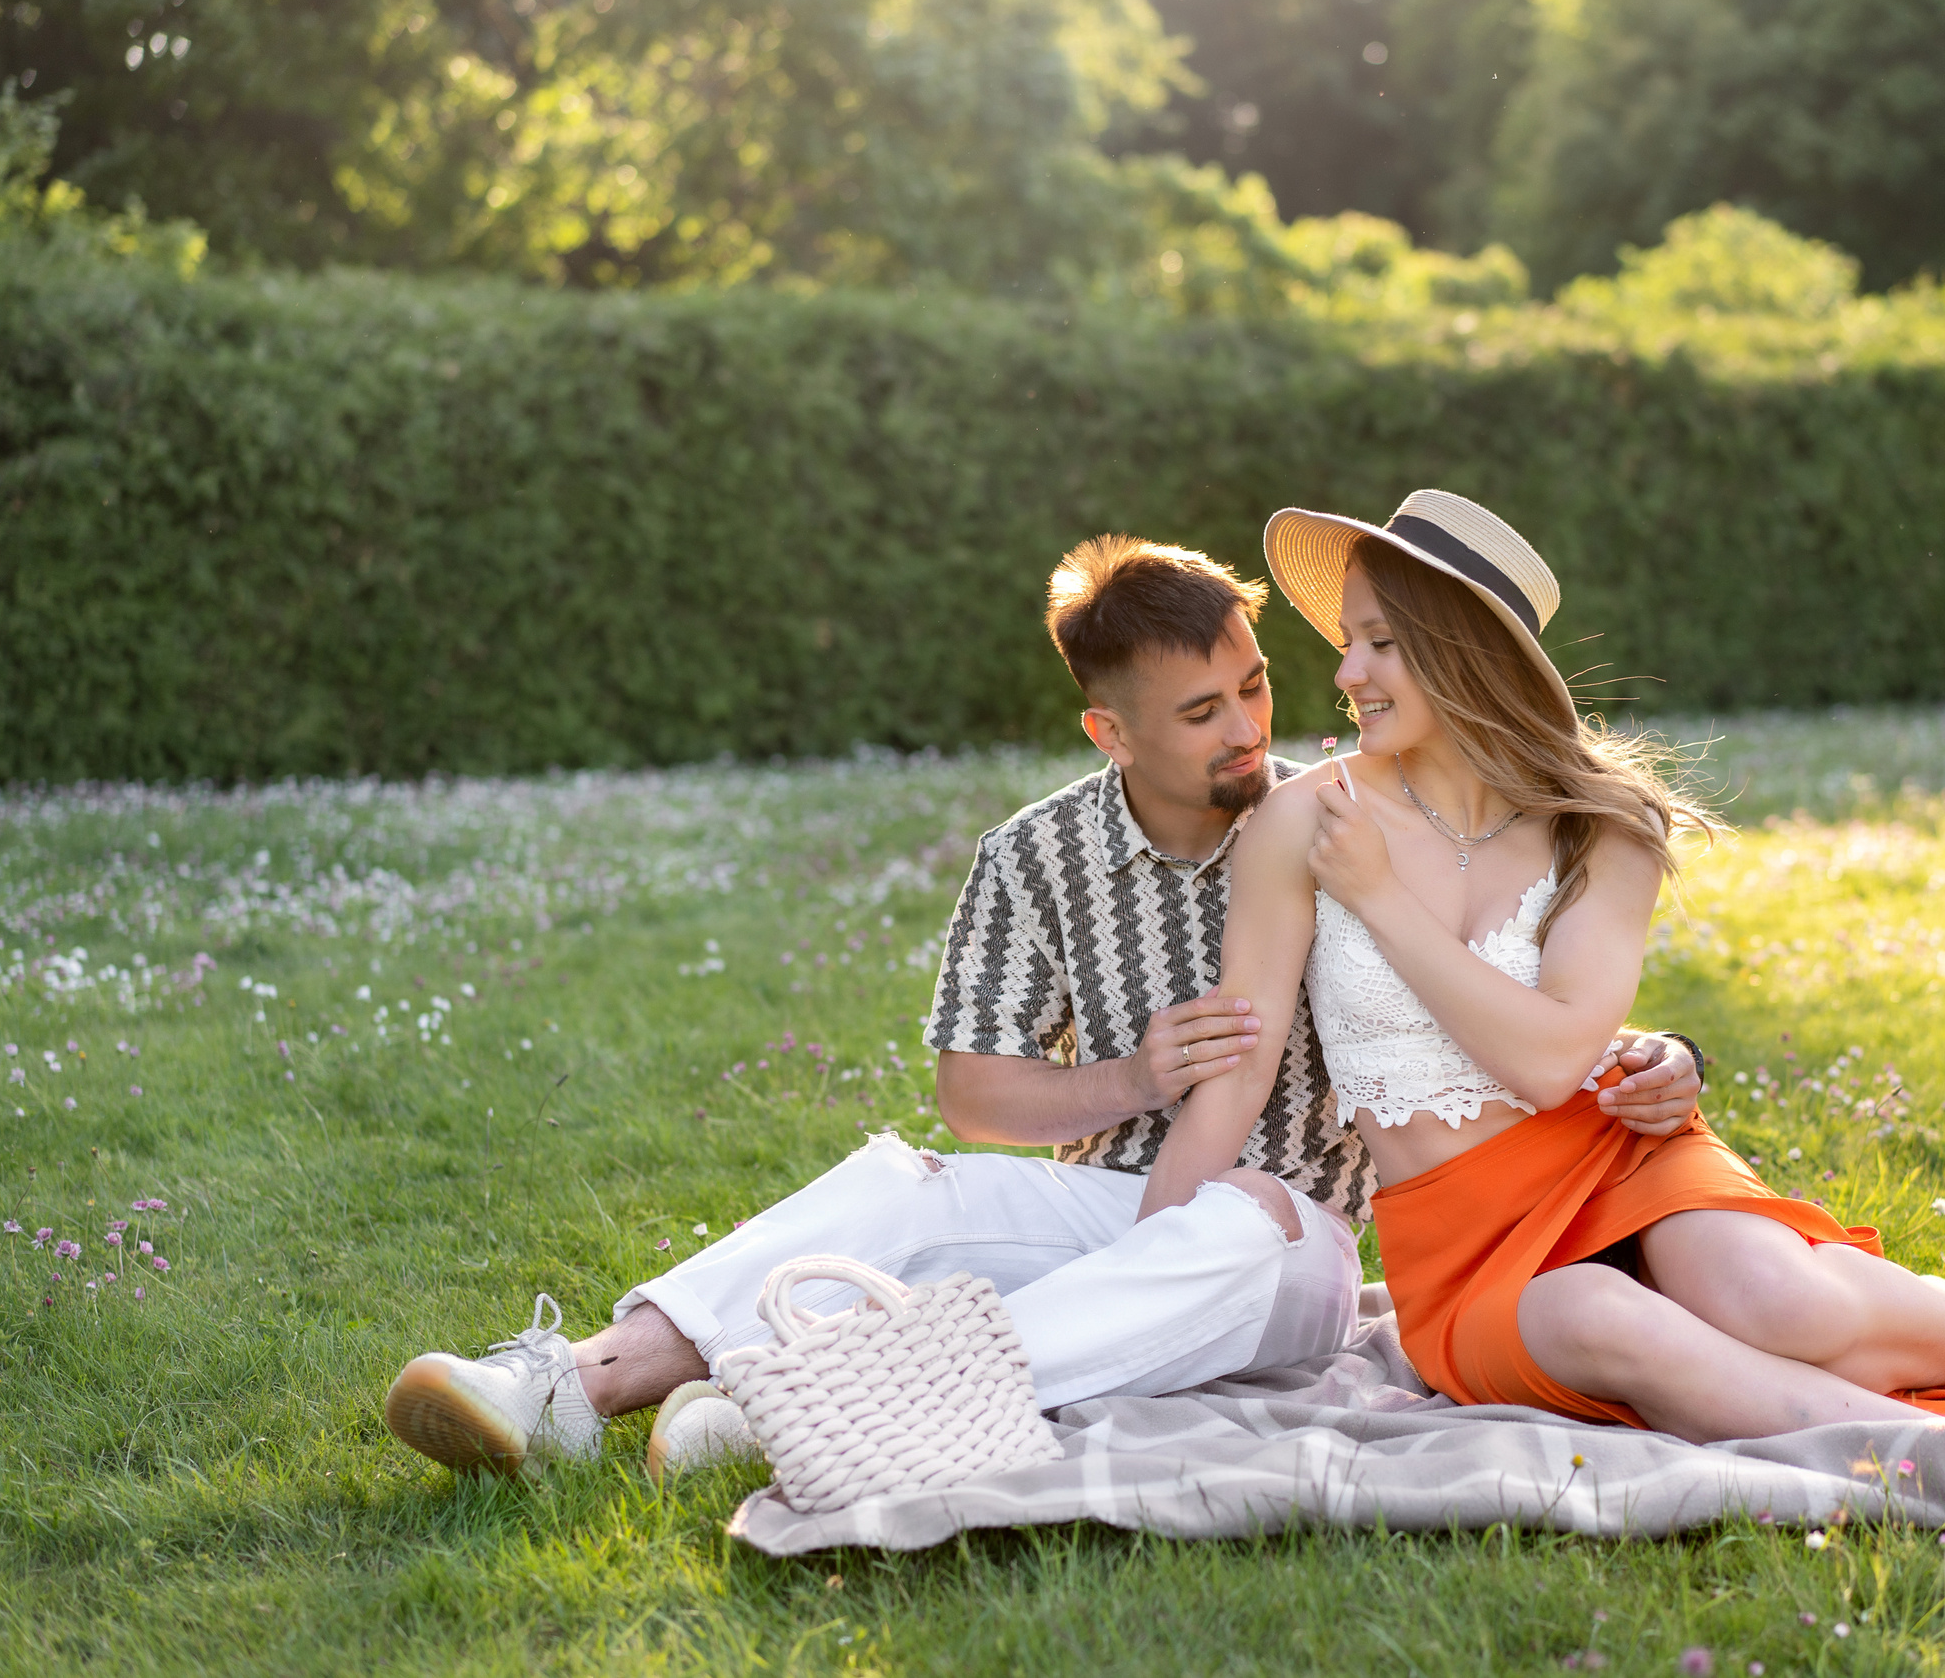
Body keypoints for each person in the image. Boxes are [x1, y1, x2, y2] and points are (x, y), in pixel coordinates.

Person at [381, 534, 1712, 1479]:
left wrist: (1659, 1050)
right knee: (904, 1184)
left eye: (1254, 684)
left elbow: (1511, 978)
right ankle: (568, 1383)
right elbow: (972, 1091)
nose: (1253, 726)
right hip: (1113, 1207)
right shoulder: (1035, 855)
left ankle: (816, 1399)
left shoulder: (1344, 809)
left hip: (1281, 1235)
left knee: (1239, 1223)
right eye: (1201, 712)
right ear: (1111, 734)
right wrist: (1133, 1075)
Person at [1138, 491, 1945, 1458]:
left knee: (1773, 1301)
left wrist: (1380, 898)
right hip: (1462, 1253)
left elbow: (1554, 1056)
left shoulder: (1603, 831)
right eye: (1347, 641)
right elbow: (1235, 1066)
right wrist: (1141, 1278)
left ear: (1463, 653)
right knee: (1595, 1319)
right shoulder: (1303, 821)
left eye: (1377, 643)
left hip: (1616, 1162)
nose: (1344, 672)